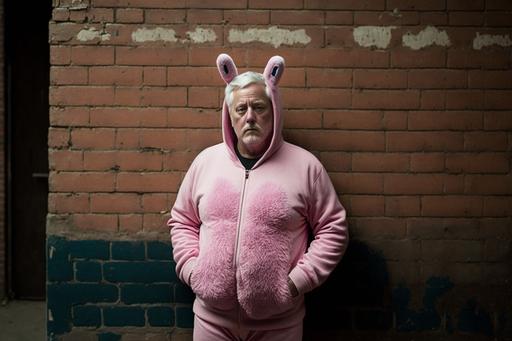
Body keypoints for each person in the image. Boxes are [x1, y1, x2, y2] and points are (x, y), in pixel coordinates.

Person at [168, 54, 349, 341]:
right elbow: (182, 221)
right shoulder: (206, 163)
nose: (249, 116)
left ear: (274, 111)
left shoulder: (306, 167)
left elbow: (333, 229)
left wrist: (295, 283)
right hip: (212, 320)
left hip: (279, 324)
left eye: (258, 107)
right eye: (240, 109)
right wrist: (192, 271)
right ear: (230, 115)